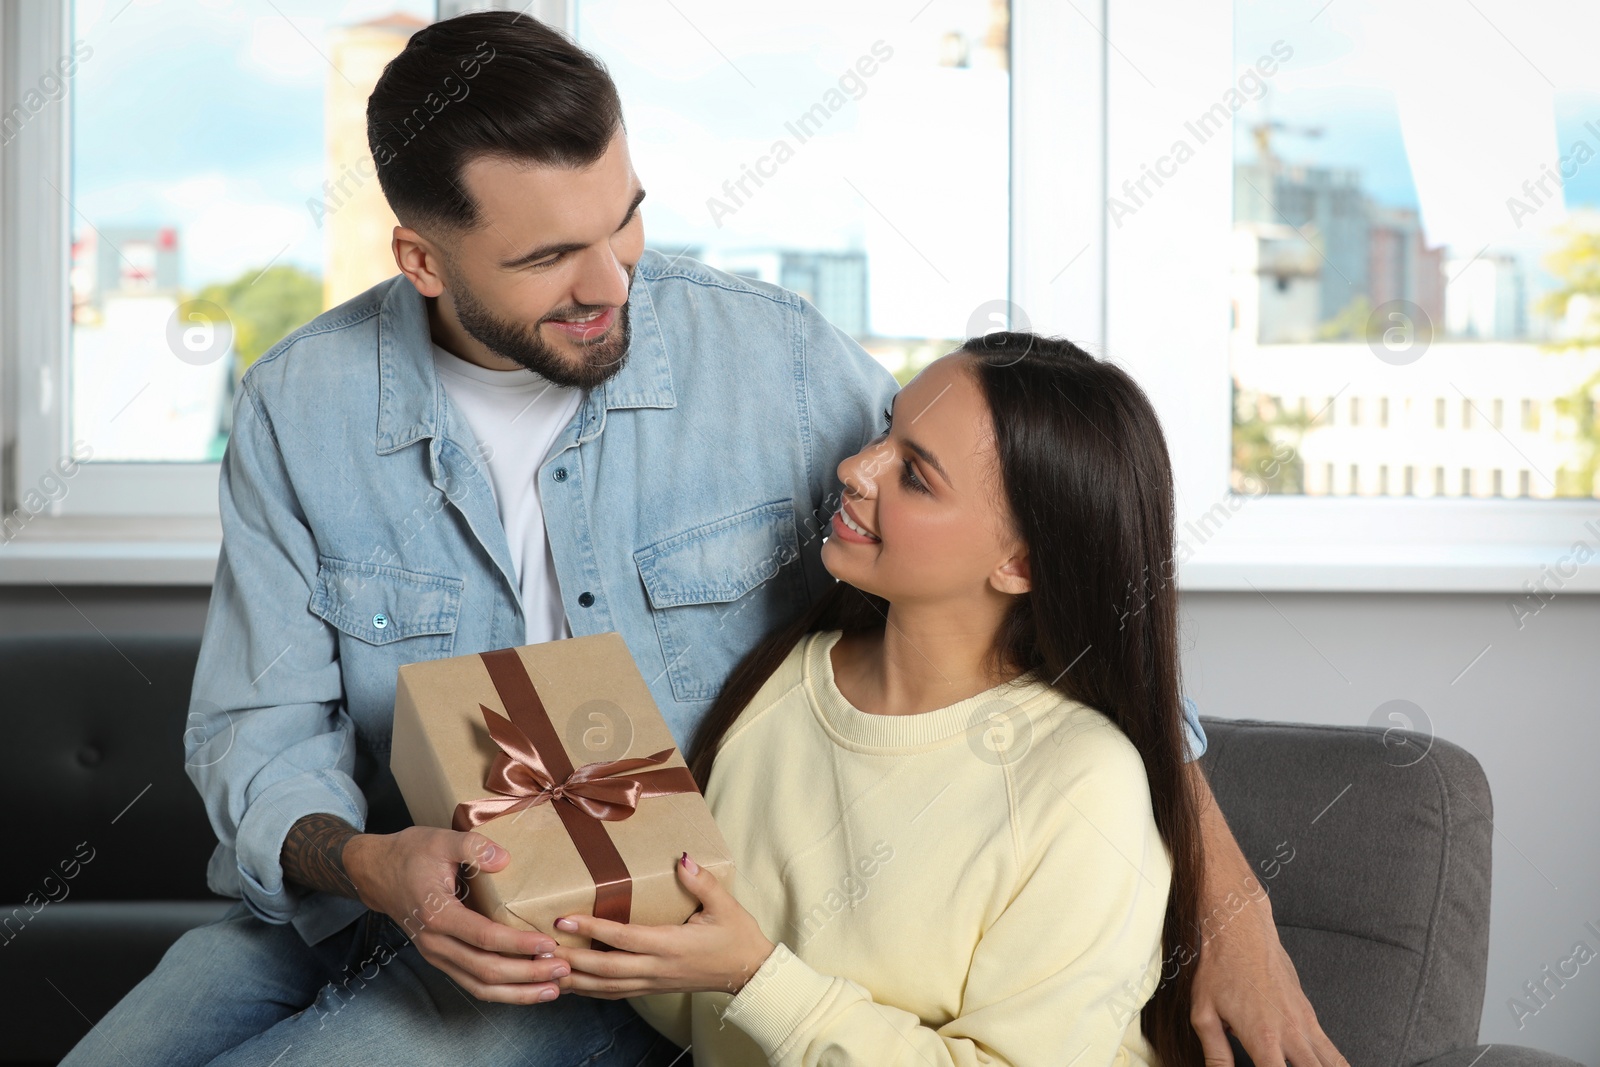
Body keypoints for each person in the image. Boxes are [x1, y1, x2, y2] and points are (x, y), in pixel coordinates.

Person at [58, 12, 1344, 1067]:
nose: (616, 283)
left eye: (626, 219)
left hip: (613, 961)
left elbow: (1055, 569)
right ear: (422, 259)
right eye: (554, 255)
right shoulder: (300, 406)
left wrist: (1233, 913)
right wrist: (372, 862)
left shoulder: (771, 357)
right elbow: (257, 729)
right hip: (376, 886)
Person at [547, 333, 1203, 1065]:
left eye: (915, 476)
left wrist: (756, 976)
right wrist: (577, 913)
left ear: (1018, 562)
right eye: (887, 429)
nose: (855, 468)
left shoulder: (1087, 784)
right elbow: (694, 1012)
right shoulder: (779, 686)